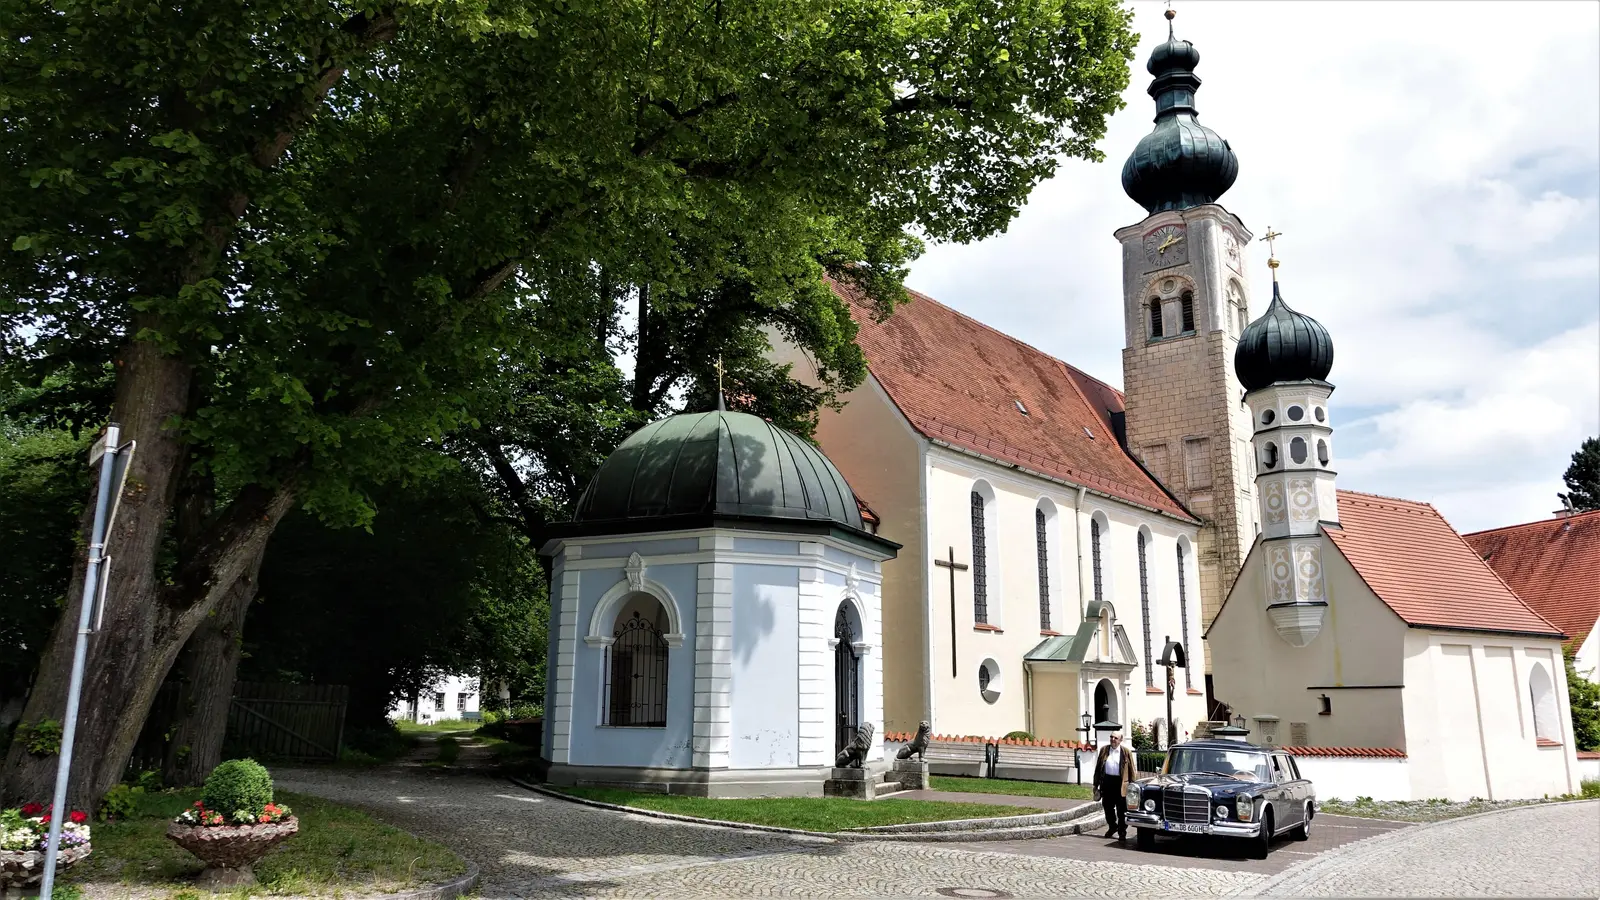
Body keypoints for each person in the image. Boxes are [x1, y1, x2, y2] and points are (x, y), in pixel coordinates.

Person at [1091, 731, 1135, 841]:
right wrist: (1095, 784)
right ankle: (1112, 826)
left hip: (1120, 784)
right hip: (1107, 782)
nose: (1112, 739)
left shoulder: (1125, 752)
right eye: (1111, 737)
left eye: (1115, 738)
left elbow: (1132, 770)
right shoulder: (1104, 750)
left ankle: (1122, 832)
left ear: (1120, 740)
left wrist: (1133, 785)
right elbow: (1098, 768)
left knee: (1121, 810)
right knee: (1107, 807)